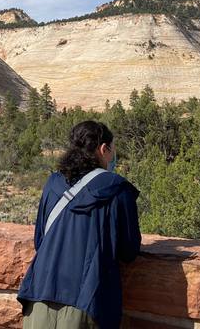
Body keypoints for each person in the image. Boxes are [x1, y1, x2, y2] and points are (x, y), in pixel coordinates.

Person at [17, 120, 141, 329]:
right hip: (87, 304)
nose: (113, 157)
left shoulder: (53, 184)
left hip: (39, 297)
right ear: (103, 149)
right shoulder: (117, 190)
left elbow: (40, 240)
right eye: (112, 151)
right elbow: (128, 251)